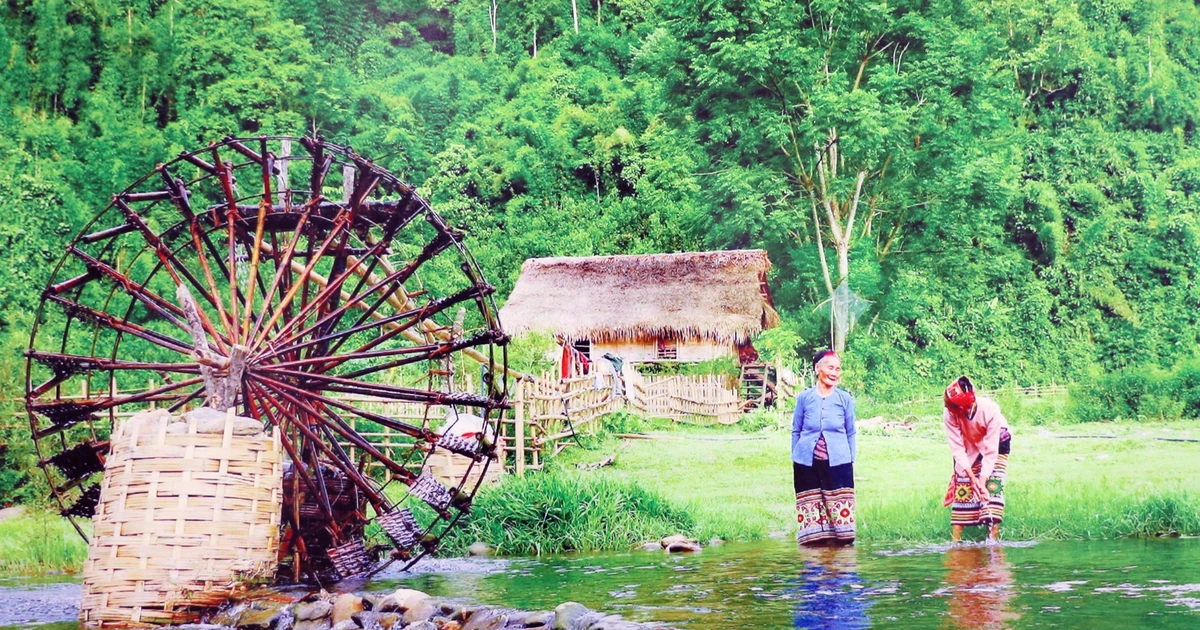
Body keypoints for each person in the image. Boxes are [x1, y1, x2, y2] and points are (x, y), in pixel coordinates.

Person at [791, 349, 857, 546]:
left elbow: (851, 432)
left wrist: (850, 458)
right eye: (830, 367)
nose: (834, 373)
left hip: (839, 461)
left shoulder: (845, 399)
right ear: (817, 368)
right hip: (806, 462)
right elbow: (796, 430)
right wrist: (797, 455)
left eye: (838, 369)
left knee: (838, 506)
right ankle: (814, 549)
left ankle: (840, 548)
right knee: (811, 502)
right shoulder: (804, 398)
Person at [942, 376, 1011, 543]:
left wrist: (982, 480)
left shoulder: (990, 410)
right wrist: (972, 479)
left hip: (998, 443)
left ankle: (992, 541)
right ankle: (955, 544)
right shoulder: (950, 413)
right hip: (968, 446)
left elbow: (991, 450)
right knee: (964, 490)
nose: (960, 413)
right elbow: (957, 448)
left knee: (992, 488)